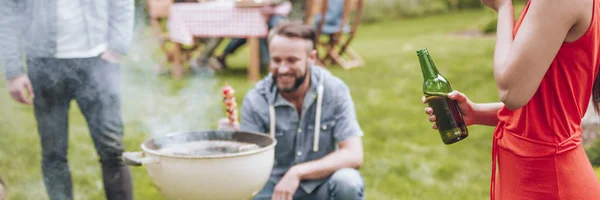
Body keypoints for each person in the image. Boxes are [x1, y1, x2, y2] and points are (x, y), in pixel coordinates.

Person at [422, 0, 600, 199]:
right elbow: (547, 111)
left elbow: (511, 91)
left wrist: (503, 7)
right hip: (531, 174)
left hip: (548, 182)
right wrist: (476, 113)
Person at [0, 1, 134, 200]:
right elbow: (7, 13)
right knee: (54, 155)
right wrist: (13, 71)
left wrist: (117, 45)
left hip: (99, 60)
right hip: (43, 62)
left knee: (113, 150)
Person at [218, 22, 365, 200]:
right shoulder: (256, 99)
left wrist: (298, 172)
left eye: (292, 60)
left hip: (321, 186)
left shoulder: (334, 90)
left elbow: (353, 154)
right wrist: (232, 142)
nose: (282, 69)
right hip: (274, 190)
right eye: (276, 60)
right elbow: (248, 165)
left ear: (311, 58)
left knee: (348, 182)